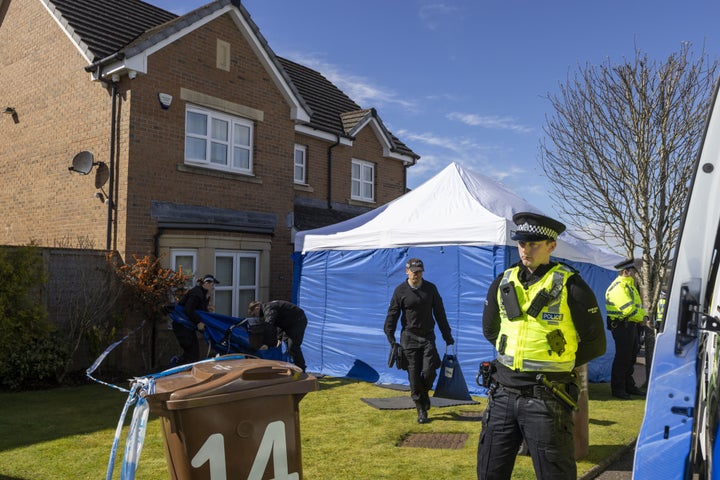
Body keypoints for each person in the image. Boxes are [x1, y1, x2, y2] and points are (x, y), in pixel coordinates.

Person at [477, 212, 606, 480]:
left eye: (534, 243)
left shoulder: (572, 285)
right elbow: (490, 330)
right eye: (522, 243)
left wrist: (558, 361)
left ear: (552, 246)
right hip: (502, 393)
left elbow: (595, 343)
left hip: (546, 396)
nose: (526, 250)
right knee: (489, 471)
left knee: (554, 474)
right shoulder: (503, 281)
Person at [384, 258, 454, 424]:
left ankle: (423, 394)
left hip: (428, 337)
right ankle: (421, 408)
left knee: (430, 372)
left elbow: (440, 313)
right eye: (414, 271)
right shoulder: (400, 291)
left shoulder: (430, 289)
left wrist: (447, 335)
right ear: (407, 272)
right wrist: (391, 337)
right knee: (414, 377)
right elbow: (392, 314)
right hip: (408, 338)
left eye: (419, 271)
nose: (416, 274)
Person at [605, 258, 647, 400]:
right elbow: (628, 309)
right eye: (634, 271)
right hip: (623, 326)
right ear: (626, 271)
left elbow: (638, 307)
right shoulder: (619, 287)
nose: (636, 273)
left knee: (630, 358)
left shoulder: (629, 286)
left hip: (631, 326)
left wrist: (642, 317)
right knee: (622, 359)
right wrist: (642, 319)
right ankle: (618, 388)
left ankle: (629, 386)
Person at [171, 274, 219, 365]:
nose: (213, 287)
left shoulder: (201, 293)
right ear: (206, 283)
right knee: (192, 354)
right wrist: (198, 322)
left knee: (193, 353)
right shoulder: (197, 293)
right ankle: (176, 364)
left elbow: (196, 309)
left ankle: (179, 366)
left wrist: (207, 309)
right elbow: (188, 309)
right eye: (212, 285)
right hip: (182, 326)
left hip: (186, 327)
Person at [248, 300, 308, 371]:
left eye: (254, 314)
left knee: (293, 346)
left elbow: (269, 325)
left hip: (298, 321)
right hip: (288, 324)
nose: (256, 316)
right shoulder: (268, 308)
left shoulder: (269, 309)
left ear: (257, 308)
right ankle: (291, 367)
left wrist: (266, 344)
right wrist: (279, 338)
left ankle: (302, 370)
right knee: (286, 345)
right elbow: (278, 324)